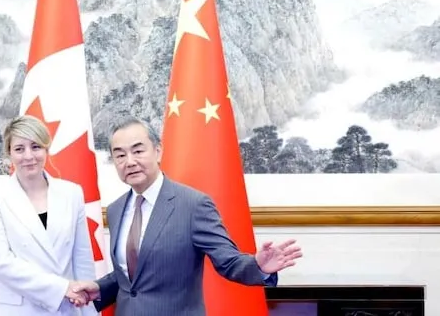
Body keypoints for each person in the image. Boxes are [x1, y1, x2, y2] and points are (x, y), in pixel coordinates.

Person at [70, 116, 302, 316]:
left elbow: (228, 261)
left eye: (138, 151)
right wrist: (98, 288)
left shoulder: (193, 205)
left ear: (158, 150)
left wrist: (258, 266)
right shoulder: (116, 209)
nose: (129, 162)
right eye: (119, 155)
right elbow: (133, 276)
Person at [0, 115, 98, 316]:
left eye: (35, 147)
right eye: (19, 149)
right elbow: (0, 262)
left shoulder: (72, 193)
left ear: (46, 149)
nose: (28, 156)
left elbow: (82, 258)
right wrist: (60, 289)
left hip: (67, 307)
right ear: (9, 153)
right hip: (13, 309)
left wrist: (87, 305)